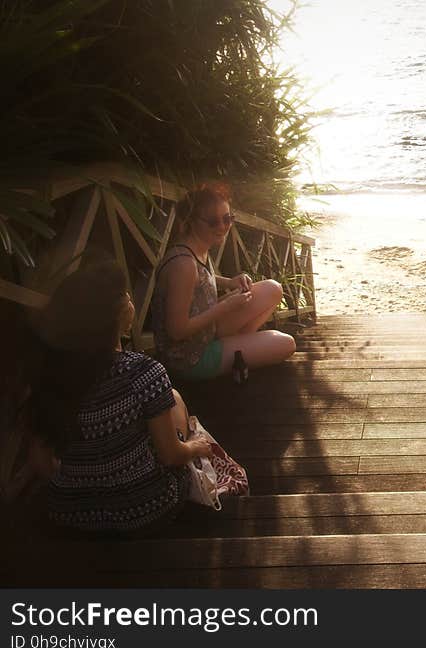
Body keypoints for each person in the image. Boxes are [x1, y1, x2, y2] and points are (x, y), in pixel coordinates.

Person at [26, 262, 213, 533]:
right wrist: (198, 447)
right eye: (126, 295)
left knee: (164, 400)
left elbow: (41, 464)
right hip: (147, 508)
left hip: (70, 514)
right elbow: (171, 456)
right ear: (117, 313)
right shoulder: (143, 372)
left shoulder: (47, 375)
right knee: (174, 400)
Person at [151, 184, 296, 381]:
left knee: (273, 288)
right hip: (190, 358)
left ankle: (238, 346)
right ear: (192, 221)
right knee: (287, 344)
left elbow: (200, 280)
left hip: (206, 333)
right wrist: (226, 306)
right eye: (212, 221)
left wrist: (229, 282)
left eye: (227, 218)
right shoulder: (183, 265)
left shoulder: (196, 247)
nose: (222, 226)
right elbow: (177, 331)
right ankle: (238, 348)